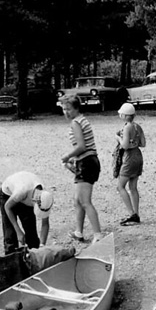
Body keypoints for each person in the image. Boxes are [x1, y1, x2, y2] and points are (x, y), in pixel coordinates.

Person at [59, 96, 104, 243]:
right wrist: (74, 159)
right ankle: (79, 231)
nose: (66, 112)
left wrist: (67, 156)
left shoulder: (76, 122)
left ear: (76, 108)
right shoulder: (82, 119)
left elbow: (81, 146)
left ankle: (98, 234)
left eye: (68, 109)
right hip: (87, 160)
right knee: (77, 200)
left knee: (85, 201)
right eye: (64, 109)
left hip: (87, 162)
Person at [0, 171, 54, 254]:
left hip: (26, 195)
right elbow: (7, 207)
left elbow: (45, 224)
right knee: (10, 236)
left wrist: (42, 246)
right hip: (8, 196)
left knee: (32, 237)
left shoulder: (44, 198)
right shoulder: (22, 191)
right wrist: (18, 231)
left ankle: (33, 259)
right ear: (34, 203)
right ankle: (10, 258)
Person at [113, 102, 146, 225]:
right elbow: (143, 143)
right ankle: (136, 214)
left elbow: (125, 146)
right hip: (138, 156)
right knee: (133, 187)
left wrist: (118, 138)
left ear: (124, 116)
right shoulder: (137, 126)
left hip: (129, 157)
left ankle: (131, 213)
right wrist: (134, 141)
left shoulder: (127, 127)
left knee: (120, 186)